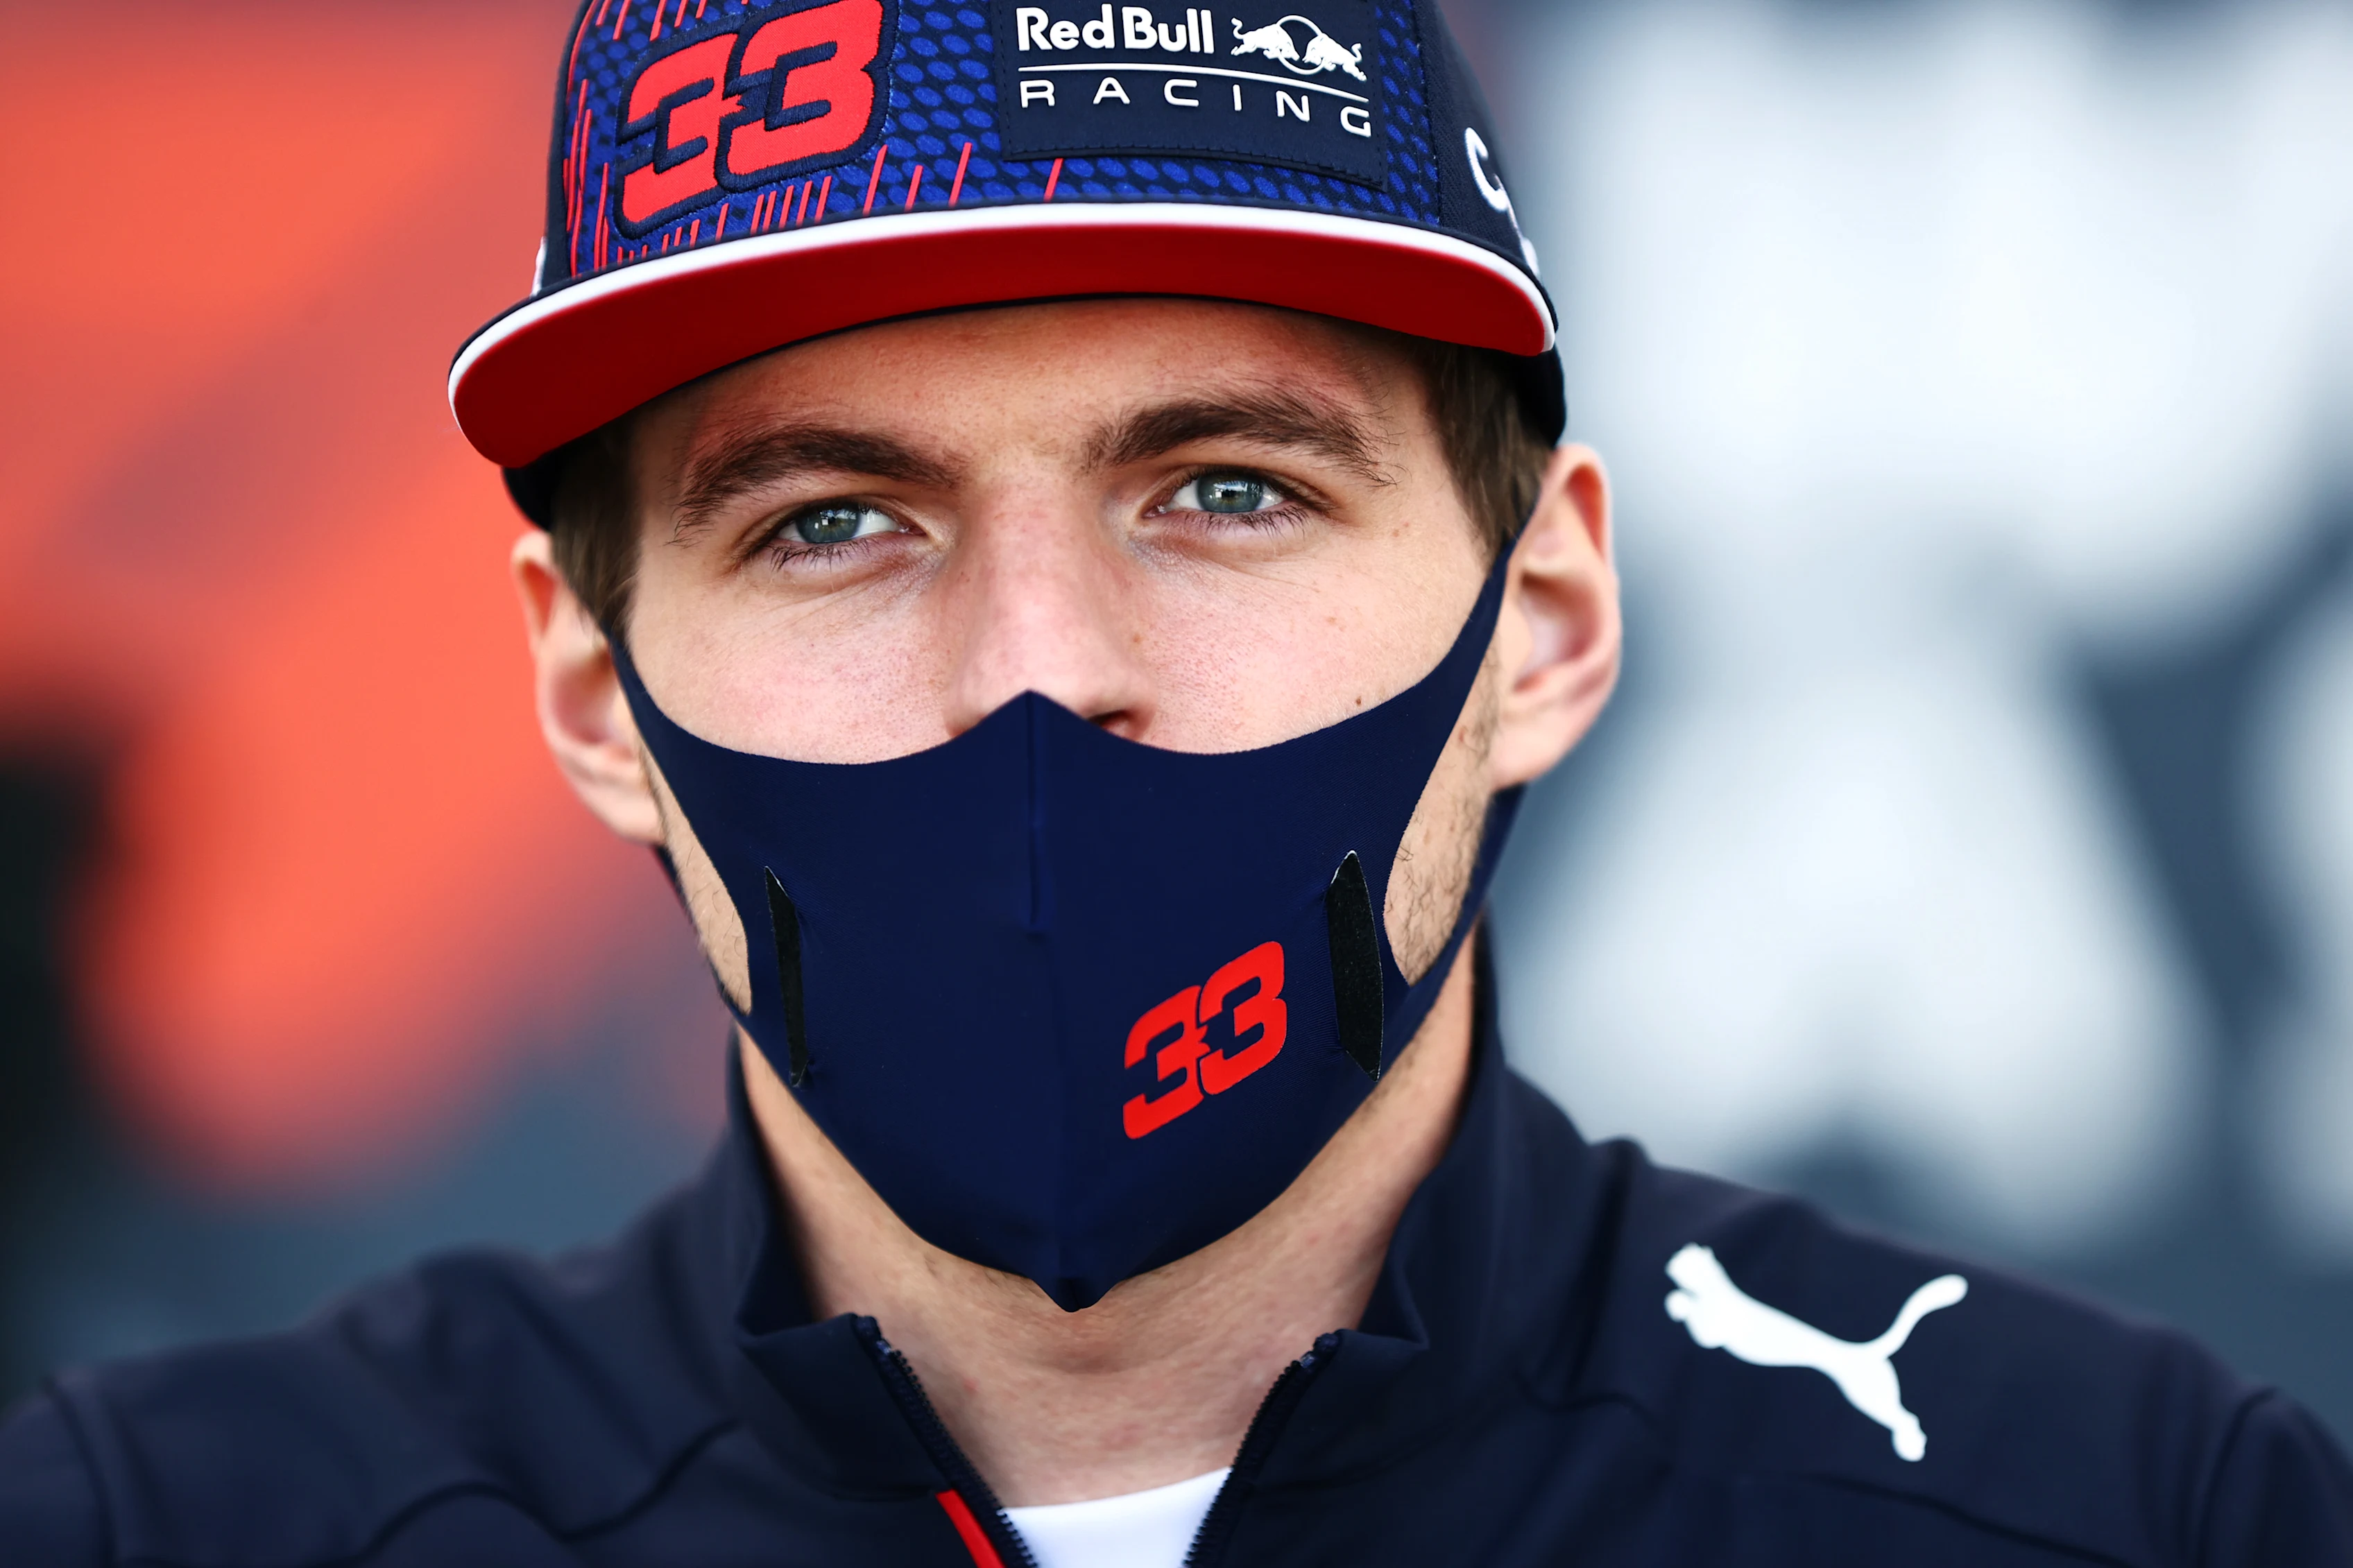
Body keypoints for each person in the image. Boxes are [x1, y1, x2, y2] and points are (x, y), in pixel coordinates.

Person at [4, 1, 2350, 1562]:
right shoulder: (157, 1528)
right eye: (833, 519)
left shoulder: (2134, 1512)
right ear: (596, 688)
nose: (1043, 679)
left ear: (1544, 619)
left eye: (1223, 487)